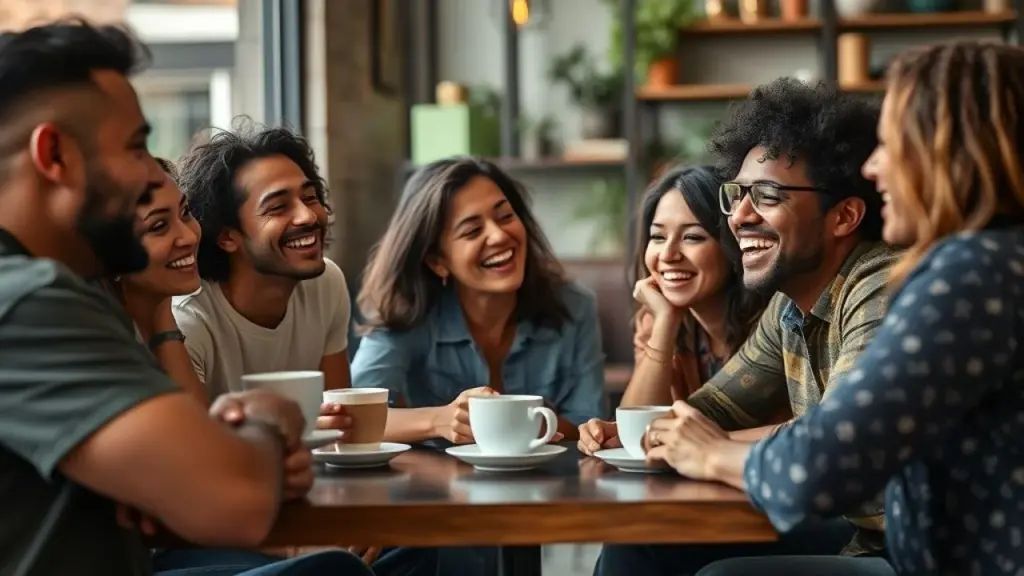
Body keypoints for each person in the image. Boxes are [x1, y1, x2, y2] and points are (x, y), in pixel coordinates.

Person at [0, 19, 373, 576]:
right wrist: (268, 419)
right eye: (134, 148)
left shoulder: (75, 292)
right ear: (54, 155)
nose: (151, 177)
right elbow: (235, 498)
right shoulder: (29, 302)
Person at [681, 40, 1024, 576]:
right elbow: (727, 413)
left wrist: (709, 453)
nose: (873, 167)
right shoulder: (995, 262)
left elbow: (823, 464)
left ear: (949, 151)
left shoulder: (972, 273)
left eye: (890, 144)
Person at [595, 78, 899, 576]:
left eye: (767, 195)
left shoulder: (878, 284)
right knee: (640, 539)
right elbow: (704, 411)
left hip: (913, 549)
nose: (738, 217)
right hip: (858, 531)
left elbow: (834, 450)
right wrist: (629, 434)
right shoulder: (789, 309)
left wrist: (711, 452)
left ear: (844, 216)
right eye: (737, 195)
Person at [352, 156, 606, 445]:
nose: (499, 236)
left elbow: (590, 423)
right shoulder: (407, 311)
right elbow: (357, 414)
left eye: (505, 216)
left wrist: (524, 421)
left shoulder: (574, 307)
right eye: (472, 231)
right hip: (436, 485)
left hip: (548, 485)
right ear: (437, 261)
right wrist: (440, 420)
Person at [577, 164, 772, 456]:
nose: (668, 255)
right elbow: (638, 430)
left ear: (732, 245)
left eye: (692, 237)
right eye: (658, 237)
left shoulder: (776, 321)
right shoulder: (655, 319)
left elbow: (797, 429)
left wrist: (700, 442)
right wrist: (665, 321)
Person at [172, 124, 352, 430]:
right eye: (278, 207)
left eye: (310, 198)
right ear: (227, 236)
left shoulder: (326, 283)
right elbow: (191, 445)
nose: (308, 216)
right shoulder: (189, 317)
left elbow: (340, 420)